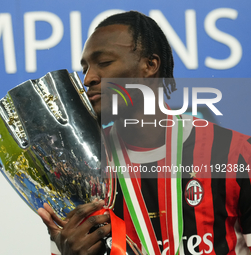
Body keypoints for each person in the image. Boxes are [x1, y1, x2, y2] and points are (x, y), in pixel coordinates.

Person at [38, 11, 251, 255]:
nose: (87, 79)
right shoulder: (80, 173)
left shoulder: (235, 153)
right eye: (85, 68)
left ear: (150, 65)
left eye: (104, 63)